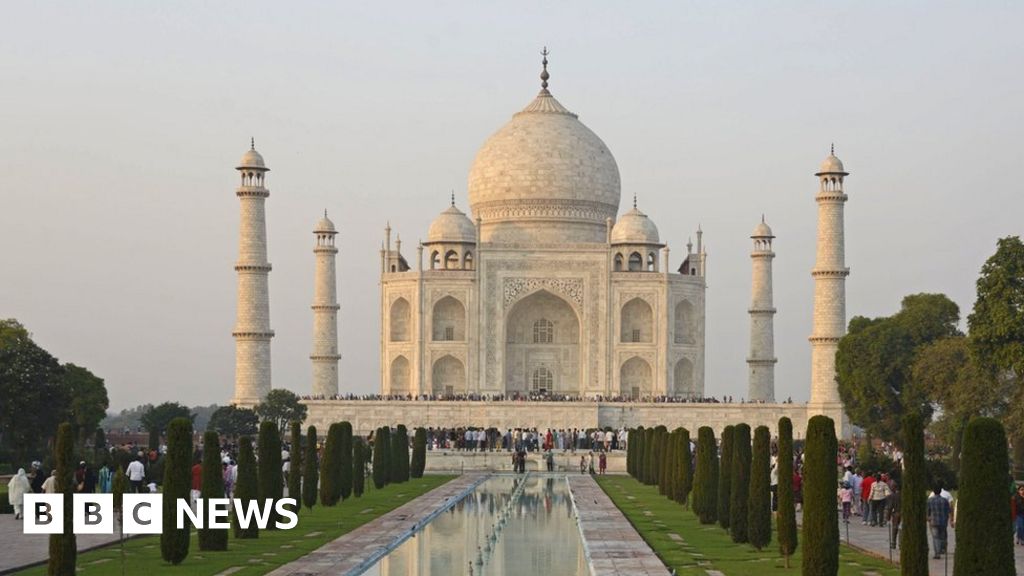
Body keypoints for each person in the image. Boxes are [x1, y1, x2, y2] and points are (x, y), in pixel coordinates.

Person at [927, 485, 952, 559]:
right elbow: (949, 510)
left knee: (935, 537)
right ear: (940, 492)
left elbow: (928, 511)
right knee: (942, 536)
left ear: (933, 492)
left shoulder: (930, 500)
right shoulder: (944, 500)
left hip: (933, 521)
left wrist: (928, 518)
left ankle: (937, 553)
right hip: (943, 521)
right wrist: (950, 518)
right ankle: (942, 549)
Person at [886, 481, 902, 549]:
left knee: (894, 529)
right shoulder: (903, 495)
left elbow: (890, 507)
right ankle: (900, 544)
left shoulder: (892, 496)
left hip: (896, 514)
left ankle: (893, 544)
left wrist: (888, 517)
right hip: (902, 514)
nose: (891, 488)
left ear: (895, 488)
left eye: (892, 487)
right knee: (901, 529)